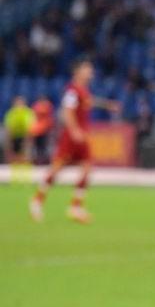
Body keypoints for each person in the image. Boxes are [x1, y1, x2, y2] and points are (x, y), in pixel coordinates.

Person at [29, 59, 120, 224]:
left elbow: (89, 102)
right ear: (77, 71)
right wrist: (74, 130)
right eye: (87, 68)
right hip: (72, 136)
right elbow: (66, 111)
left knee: (87, 168)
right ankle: (37, 200)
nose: (90, 72)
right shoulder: (72, 90)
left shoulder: (83, 91)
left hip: (81, 135)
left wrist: (107, 105)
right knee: (57, 169)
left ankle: (75, 207)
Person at [4, 95, 36, 181]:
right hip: (15, 137)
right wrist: (9, 141)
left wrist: (28, 140)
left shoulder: (28, 113)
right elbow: (8, 128)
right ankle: (15, 178)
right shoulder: (11, 113)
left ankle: (26, 178)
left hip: (25, 136)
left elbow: (30, 128)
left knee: (25, 157)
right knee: (14, 157)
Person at [30, 95, 54, 164]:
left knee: (45, 147)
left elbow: (47, 113)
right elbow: (36, 114)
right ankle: (37, 160)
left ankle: (45, 160)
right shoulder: (37, 106)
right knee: (37, 147)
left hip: (46, 130)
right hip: (37, 130)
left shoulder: (48, 106)